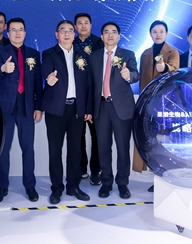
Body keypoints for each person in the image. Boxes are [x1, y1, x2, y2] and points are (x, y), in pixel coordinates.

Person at [0, 17, 43, 203]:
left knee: (28, 148)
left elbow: (38, 83)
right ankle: (2, 186)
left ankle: (30, 186)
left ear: (25, 33)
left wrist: (39, 107)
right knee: (3, 149)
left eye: (20, 29)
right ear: (8, 33)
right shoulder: (0, 51)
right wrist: (3, 68)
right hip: (6, 108)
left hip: (27, 107)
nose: (17, 33)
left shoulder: (33, 54)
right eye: (13, 30)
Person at [42, 20, 93, 204]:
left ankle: (73, 186)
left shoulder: (82, 56)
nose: (67, 34)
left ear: (74, 34)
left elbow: (88, 84)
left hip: (76, 109)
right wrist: (48, 77)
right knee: (55, 150)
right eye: (62, 30)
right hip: (56, 110)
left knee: (75, 150)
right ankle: (57, 188)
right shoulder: (49, 53)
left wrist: (88, 109)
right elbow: (45, 69)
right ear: (57, 34)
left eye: (70, 31)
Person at [90, 22, 139, 199]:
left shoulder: (128, 54)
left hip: (122, 108)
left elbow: (135, 74)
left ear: (119, 36)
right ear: (101, 36)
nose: (110, 35)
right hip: (101, 107)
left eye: (114, 32)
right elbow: (90, 84)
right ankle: (106, 182)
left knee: (123, 147)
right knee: (103, 147)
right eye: (106, 32)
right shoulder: (94, 56)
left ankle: (123, 183)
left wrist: (129, 75)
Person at [136, 20, 180, 178]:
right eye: (154, 31)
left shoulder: (172, 52)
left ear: (166, 34)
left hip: (165, 102)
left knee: (164, 138)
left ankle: (165, 173)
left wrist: (164, 67)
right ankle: (152, 170)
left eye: (161, 31)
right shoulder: (145, 54)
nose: (158, 34)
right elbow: (142, 79)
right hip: (148, 102)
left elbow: (174, 69)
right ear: (150, 34)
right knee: (148, 137)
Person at [73, 12, 103, 185]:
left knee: (96, 136)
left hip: (96, 96)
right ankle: (81, 168)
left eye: (86, 23)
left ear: (91, 25)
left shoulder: (100, 43)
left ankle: (96, 170)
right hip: (76, 96)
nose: (83, 26)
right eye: (79, 23)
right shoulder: (70, 43)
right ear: (75, 26)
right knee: (78, 136)